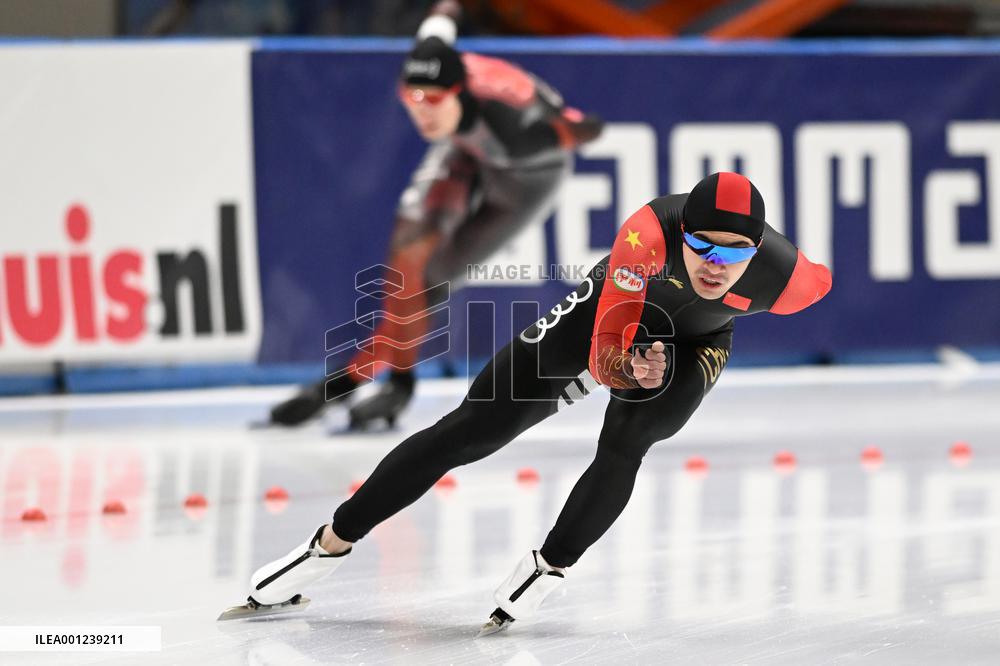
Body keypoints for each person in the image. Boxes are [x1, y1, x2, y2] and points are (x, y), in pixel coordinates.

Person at [223, 172, 832, 632]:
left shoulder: (791, 280)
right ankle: (325, 547)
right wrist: (630, 366)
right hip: (608, 317)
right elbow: (603, 359)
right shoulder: (646, 237)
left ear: (758, 251)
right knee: (471, 429)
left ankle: (548, 568)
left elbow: (819, 277)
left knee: (629, 440)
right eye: (702, 246)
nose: (715, 266)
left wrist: (662, 370)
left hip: (698, 340)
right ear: (681, 235)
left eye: (734, 254)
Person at [268, 1, 603, 430]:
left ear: (459, 92)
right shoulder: (432, 55)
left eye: (432, 100)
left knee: (432, 282)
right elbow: (443, 18)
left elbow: (582, 129)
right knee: (408, 254)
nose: (420, 111)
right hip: (466, 149)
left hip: (527, 180)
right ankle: (390, 382)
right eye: (411, 97)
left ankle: (352, 386)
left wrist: (576, 126)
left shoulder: (518, 126)